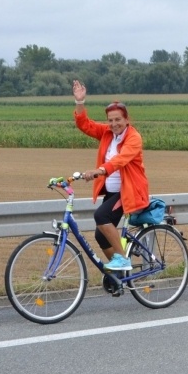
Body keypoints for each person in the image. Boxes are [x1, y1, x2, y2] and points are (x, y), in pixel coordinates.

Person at [72, 79, 150, 271]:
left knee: (101, 215)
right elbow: (85, 125)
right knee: (100, 235)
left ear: (126, 119)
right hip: (112, 191)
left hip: (128, 190)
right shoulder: (107, 133)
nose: (114, 124)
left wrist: (99, 171)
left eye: (118, 120)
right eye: (111, 120)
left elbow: (120, 160)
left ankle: (123, 260)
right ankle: (119, 276)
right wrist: (80, 102)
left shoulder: (133, 138)